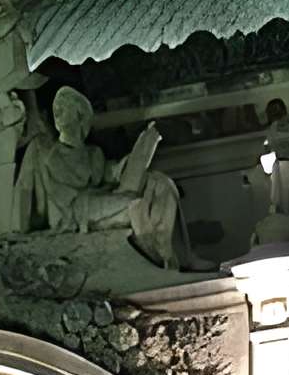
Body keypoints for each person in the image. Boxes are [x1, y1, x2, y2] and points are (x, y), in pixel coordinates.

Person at [17, 84, 183, 268]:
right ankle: (154, 256)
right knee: (134, 203)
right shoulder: (48, 153)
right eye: (56, 108)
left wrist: (138, 154)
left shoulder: (93, 153)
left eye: (63, 107)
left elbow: (111, 173)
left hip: (98, 202)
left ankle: (167, 252)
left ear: (80, 116)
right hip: (79, 210)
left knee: (160, 183)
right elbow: (28, 192)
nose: (57, 112)